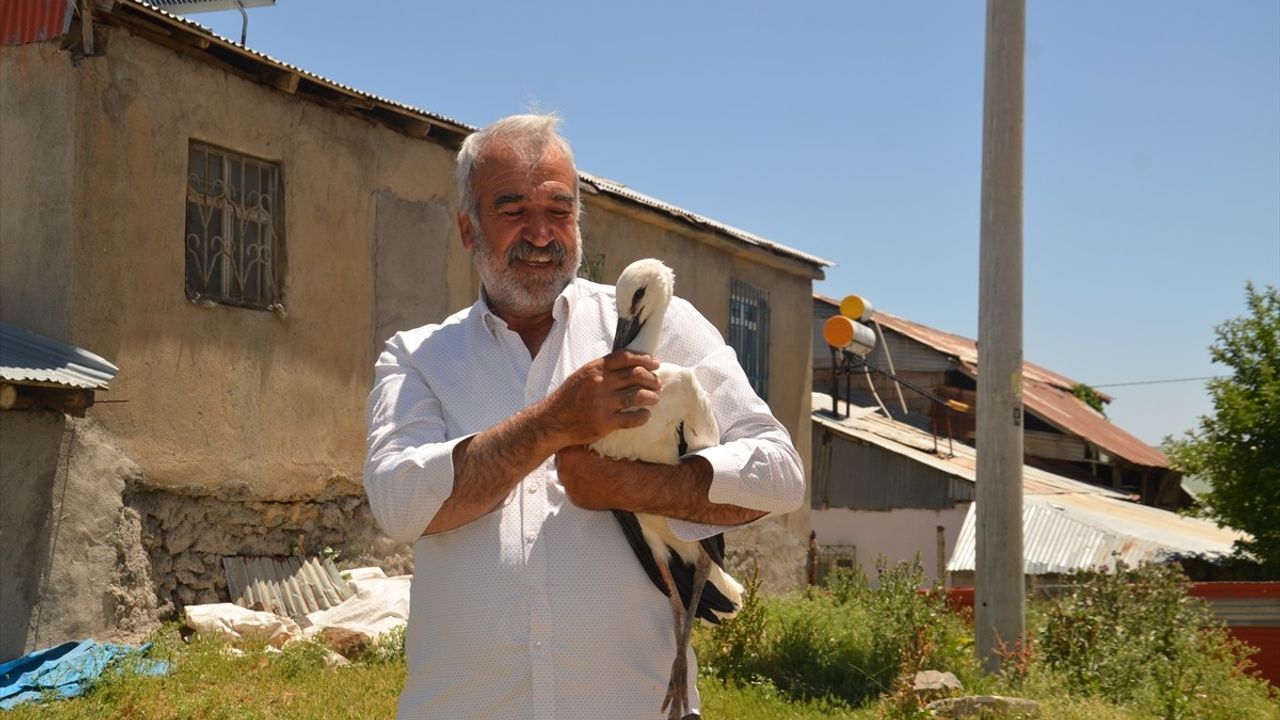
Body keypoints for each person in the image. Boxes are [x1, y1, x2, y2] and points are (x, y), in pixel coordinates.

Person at [363, 114, 805, 720]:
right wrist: (554, 422)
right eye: (513, 209)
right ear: (467, 228)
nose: (540, 234)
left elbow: (780, 472)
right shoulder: (418, 358)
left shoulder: (661, 323)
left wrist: (630, 486)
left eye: (559, 210)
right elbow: (398, 502)